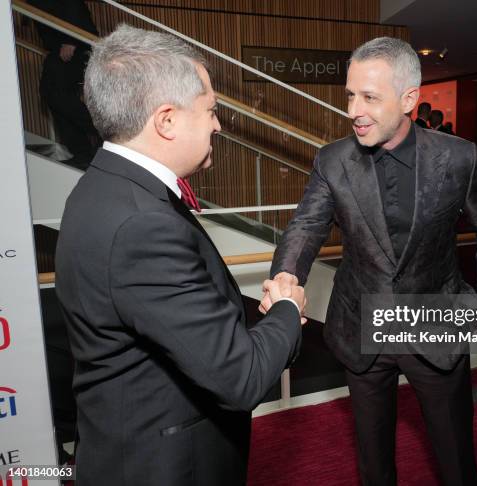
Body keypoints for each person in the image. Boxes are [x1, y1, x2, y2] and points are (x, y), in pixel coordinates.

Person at [55, 25, 304, 486]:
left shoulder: (103, 187)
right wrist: (288, 309)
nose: (217, 124)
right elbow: (242, 377)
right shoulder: (141, 224)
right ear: (166, 120)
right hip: (165, 466)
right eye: (210, 110)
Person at [260, 37, 477, 486]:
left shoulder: (458, 157)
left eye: (370, 97)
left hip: (435, 322)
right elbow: (305, 227)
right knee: (373, 461)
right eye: (350, 95)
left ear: (410, 98)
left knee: (455, 456)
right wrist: (285, 275)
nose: (355, 109)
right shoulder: (333, 159)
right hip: (363, 327)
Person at [28, 0, 101, 169]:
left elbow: (73, 6)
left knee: (58, 96)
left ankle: (102, 132)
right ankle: (82, 151)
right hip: (57, 49)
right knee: (49, 95)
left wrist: (72, 40)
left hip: (74, 46)